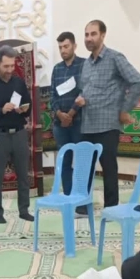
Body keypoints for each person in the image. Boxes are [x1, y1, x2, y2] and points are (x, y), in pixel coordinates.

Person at [75, 20, 140, 213]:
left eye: (93, 34)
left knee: (109, 169)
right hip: (87, 124)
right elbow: (85, 89)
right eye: (86, 34)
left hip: (107, 125)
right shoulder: (86, 64)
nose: (89, 38)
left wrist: (125, 110)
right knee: (84, 169)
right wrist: (81, 99)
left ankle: (111, 209)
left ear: (103, 35)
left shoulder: (114, 58)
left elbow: (138, 81)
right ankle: (83, 207)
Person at [0, 46, 34, 223]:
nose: (10, 70)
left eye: (12, 66)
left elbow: (29, 107)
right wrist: (1, 110)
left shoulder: (19, 83)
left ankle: (24, 210)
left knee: (23, 175)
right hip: (0, 136)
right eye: (6, 66)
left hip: (19, 134)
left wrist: (24, 109)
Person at [50, 31, 84, 196]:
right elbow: (53, 95)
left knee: (82, 162)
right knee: (64, 161)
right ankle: (69, 196)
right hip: (60, 124)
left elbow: (84, 92)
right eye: (60, 47)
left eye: (66, 46)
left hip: (79, 122)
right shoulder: (57, 69)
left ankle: (81, 198)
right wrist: (59, 114)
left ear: (74, 46)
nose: (63, 50)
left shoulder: (84, 65)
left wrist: (70, 114)